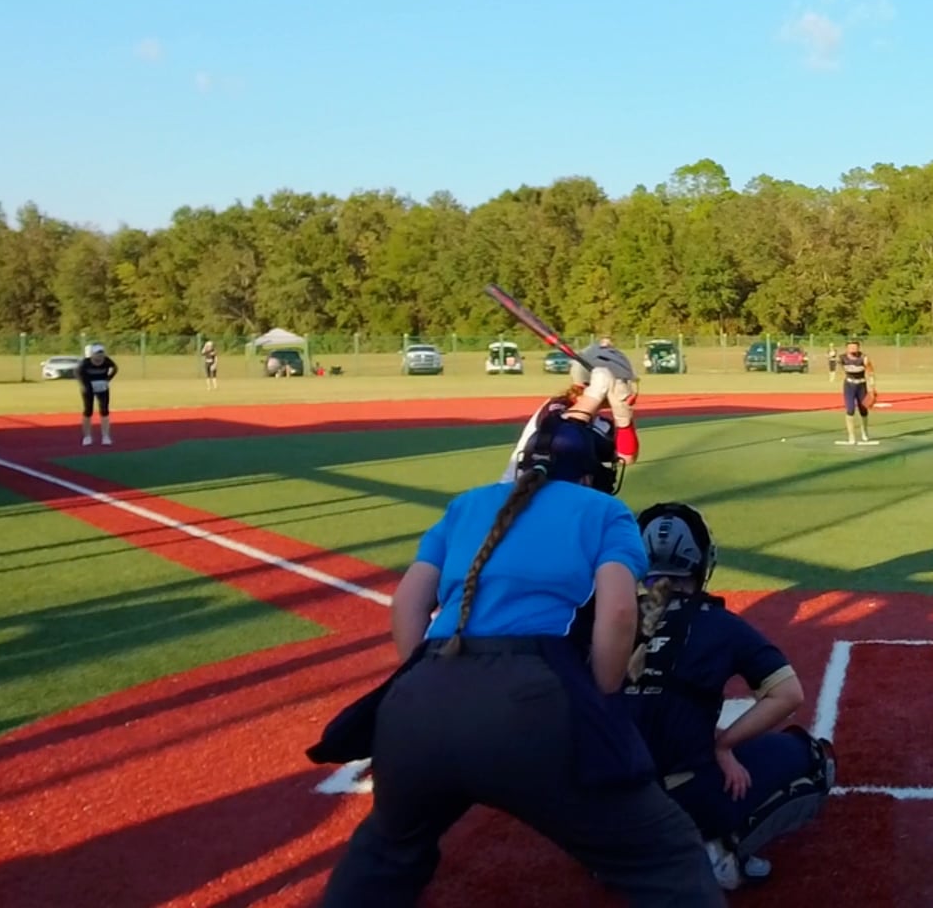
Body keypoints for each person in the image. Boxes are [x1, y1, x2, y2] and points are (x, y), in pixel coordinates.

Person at [321, 407, 725, 908]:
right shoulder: (603, 511)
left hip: (415, 704)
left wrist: (430, 676)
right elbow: (621, 611)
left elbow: (407, 604)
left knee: (383, 858)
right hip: (533, 698)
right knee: (667, 858)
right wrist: (599, 696)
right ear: (591, 473)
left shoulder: (465, 505)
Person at [621, 502, 835, 892]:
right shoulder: (719, 624)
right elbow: (788, 694)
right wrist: (723, 745)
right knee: (816, 760)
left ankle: (618, 852)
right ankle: (717, 849)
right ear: (702, 561)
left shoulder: (609, 621)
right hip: (682, 796)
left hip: (608, 801)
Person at [571, 337, 642, 464]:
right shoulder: (555, 408)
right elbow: (566, 432)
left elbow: (626, 458)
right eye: (622, 383)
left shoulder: (602, 425)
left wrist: (623, 420)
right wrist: (596, 393)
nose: (626, 390)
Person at [75, 342, 118, 446]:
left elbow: (115, 368)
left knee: (104, 411)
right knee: (88, 411)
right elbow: (78, 373)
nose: (100, 356)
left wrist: (108, 379)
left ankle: (105, 436)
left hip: (102, 387)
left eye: (101, 353)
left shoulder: (107, 361)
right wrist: (85, 385)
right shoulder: (85, 363)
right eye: (97, 353)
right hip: (88, 387)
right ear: (92, 354)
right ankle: (87, 436)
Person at [838, 340, 876, 445]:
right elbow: (841, 368)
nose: (853, 349)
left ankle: (865, 431)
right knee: (850, 409)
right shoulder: (842, 358)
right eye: (850, 347)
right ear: (847, 348)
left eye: (855, 347)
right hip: (849, 385)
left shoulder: (864, 358)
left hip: (861, 385)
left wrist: (872, 387)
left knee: (863, 409)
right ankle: (851, 436)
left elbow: (870, 372)